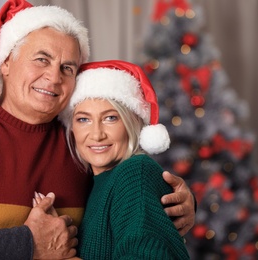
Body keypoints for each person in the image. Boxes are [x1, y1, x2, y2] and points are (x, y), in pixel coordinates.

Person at [0, 0, 195, 259]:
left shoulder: (79, 142)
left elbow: (126, 192)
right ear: (6, 62)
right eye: (42, 59)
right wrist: (27, 244)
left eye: (67, 68)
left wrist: (179, 201)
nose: (53, 77)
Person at [61, 60, 190, 259]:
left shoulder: (134, 173)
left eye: (110, 118)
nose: (96, 134)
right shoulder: (92, 181)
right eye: (83, 119)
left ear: (131, 122)